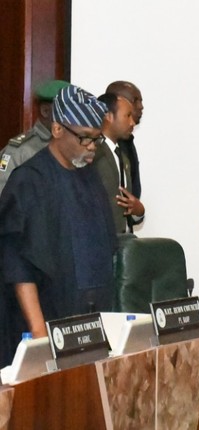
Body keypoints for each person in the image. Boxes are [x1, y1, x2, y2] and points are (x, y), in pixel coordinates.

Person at [0, 85, 116, 366]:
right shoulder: (29, 181)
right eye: (84, 139)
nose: (91, 148)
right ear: (57, 130)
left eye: (97, 140)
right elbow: (18, 267)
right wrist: (39, 333)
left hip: (89, 328)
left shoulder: (90, 177)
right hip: (45, 330)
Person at [0, 79, 70, 195]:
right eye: (66, 111)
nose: (72, 117)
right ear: (45, 111)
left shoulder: (74, 145)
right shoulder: (20, 151)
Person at [95, 92, 144, 233]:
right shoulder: (93, 154)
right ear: (108, 116)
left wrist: (138, 210)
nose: (132, 123)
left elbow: (125, 206)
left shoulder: (122, 155)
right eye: (127, 116)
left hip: (125, 244)